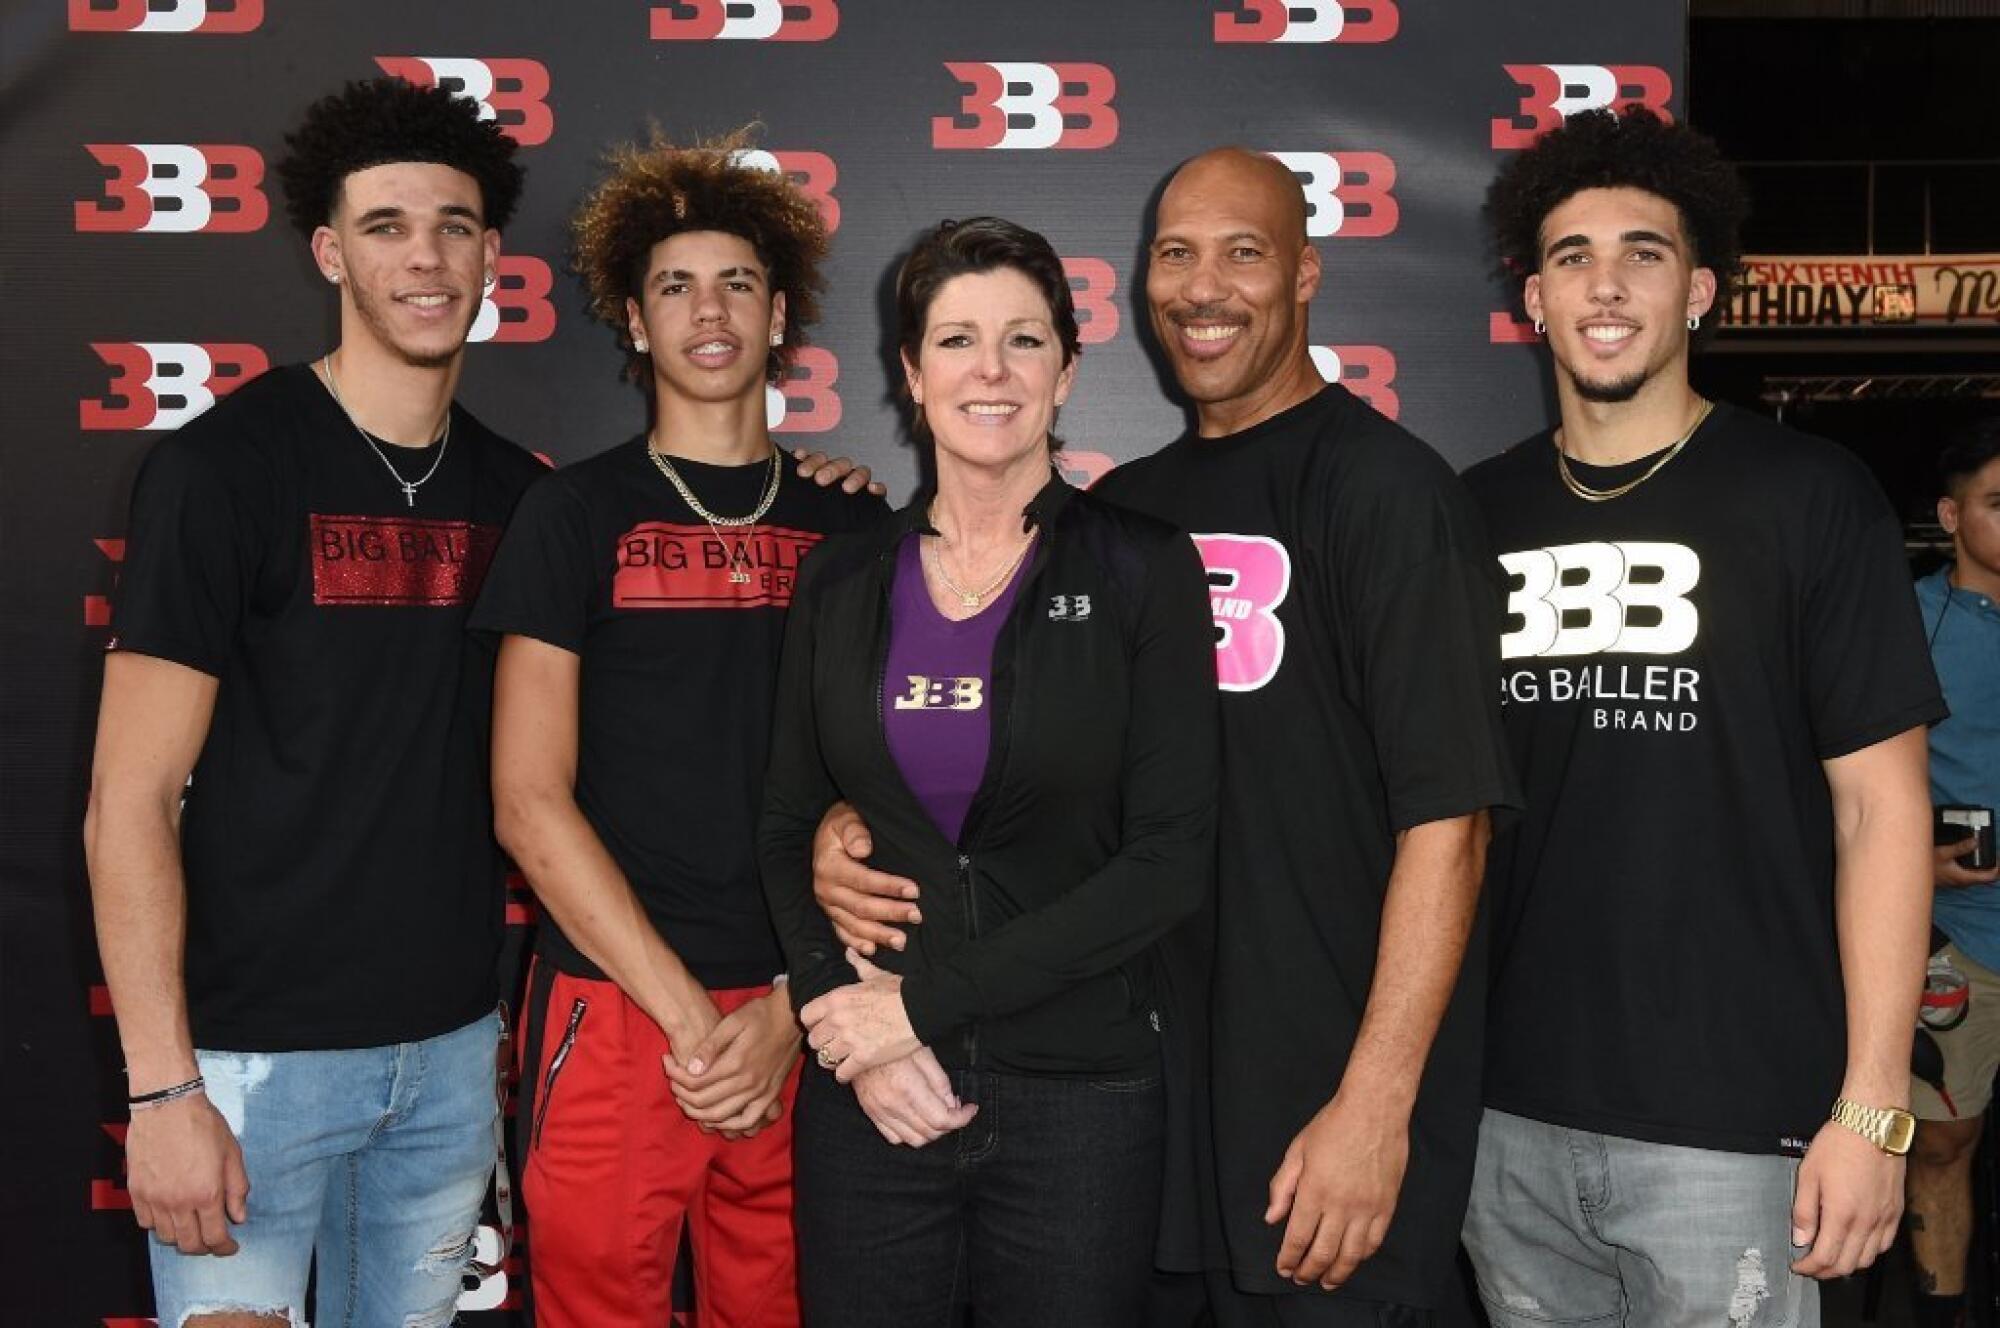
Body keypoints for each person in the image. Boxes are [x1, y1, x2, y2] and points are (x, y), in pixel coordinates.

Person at [811, 154, 1520, 1327]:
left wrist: (1376, 1102)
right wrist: (852, 821)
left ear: (1304, 273)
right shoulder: (1118, 520)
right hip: (1134, 1116)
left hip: (1320, 1122)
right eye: (1175, 252)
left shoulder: (1389, 493)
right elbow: (979, 756)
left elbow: (1448, 824)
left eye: (1242, 251)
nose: (1205, 285)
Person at [1460, 107, 1943, 1326]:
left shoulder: (1805, 496)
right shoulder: (1468, 515)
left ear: (1699, 291)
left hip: (1743, 1132)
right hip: (1504, 1121)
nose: (1605, 283)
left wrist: (1872, 1110)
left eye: (1643, 252)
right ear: (1531, 298)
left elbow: (1880, 809)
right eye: (1570, 256)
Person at [82, 77, 543, 1326]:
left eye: (453, 224)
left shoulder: (519, 493)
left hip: (450, 1056)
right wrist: (165, 1091)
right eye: (387, 225)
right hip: (247, 1067)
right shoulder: (219, 468)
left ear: (492, 252)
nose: (426, 256)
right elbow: (129, 796)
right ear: (330, 249)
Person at [758, 215, 1220, 1327]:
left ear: (1065, 368)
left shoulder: (1142, 568)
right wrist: (842, 1019)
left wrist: (918, 1006)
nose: (991, 370)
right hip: (870, 1098)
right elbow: (782, 825)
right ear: (910, 373)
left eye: (1023, 340)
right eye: (957, 340)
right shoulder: (840, 579)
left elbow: (1168, 859)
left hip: (1082, 1105)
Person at [469, 133, 886, 1328]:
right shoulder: (571, 512)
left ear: (781, 318)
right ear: (634, 325)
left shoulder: (855, 526)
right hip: (620, 1008)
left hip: (814, 1013)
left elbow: (899, 791)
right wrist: (697, 1019)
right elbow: (526, 798)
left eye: (738, 283)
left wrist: (788, 1010)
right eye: (673, 286)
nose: (709, 310)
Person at [1905, 419, 2000, 1328]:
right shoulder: (1905, 625)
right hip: (1959, 937)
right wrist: (1914, 864)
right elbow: (1832, 781)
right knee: (1942, 1142)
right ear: (1949, 514)